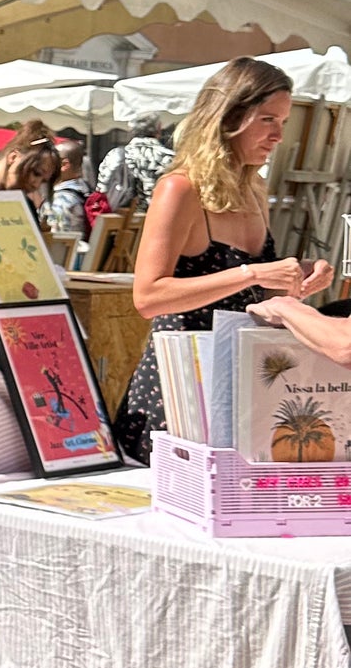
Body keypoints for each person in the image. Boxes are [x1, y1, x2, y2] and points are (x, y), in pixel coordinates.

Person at [114, 55, 332, 462]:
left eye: (282, 123)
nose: (278, 136)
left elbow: (251, 293)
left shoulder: (255, 189)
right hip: (180, 389)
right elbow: (148, 297)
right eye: (268, 120)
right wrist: (251, 271)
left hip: (240, 382)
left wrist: (296, 277)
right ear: (229, 116)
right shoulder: (179, 189)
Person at [0, 121, 61, 214]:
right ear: (13, 157)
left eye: (43, 181)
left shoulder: (25, 208)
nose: (36, 185)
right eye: (36, 173)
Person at [99, 117, 174, 213]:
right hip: (161, 219)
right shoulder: (171, 158)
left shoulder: (115, 155)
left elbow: (101, 191)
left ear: (130, 130)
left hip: (121, 222)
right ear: (158, 129)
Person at [47, 135, 91, 239]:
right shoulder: (85, 191)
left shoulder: (62, 200)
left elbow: (57, 240)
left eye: (51, 161)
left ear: (64, 165)